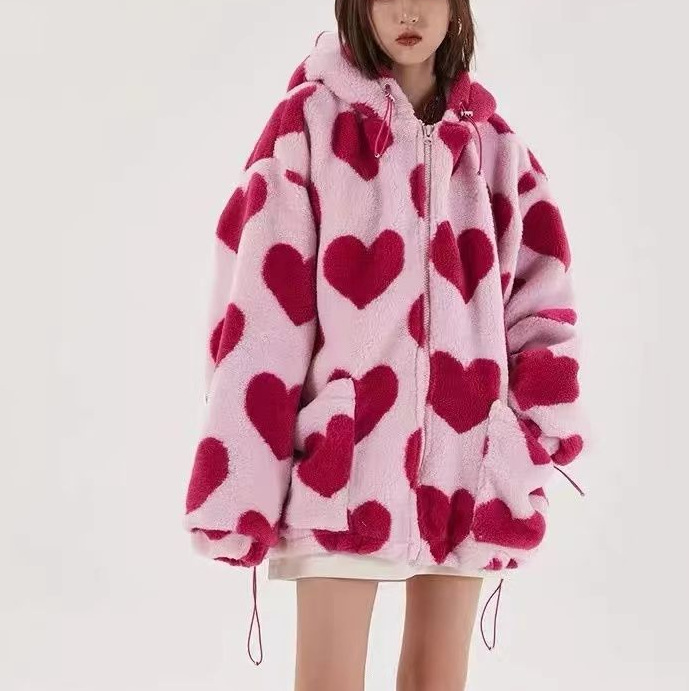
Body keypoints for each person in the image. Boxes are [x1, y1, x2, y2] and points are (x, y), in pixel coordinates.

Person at [182, 1, 587, 688]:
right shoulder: (309, 125)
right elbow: (260, 316)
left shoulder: (497, 150)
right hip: (343, 471)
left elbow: (543, 307)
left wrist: (528, 438)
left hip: (465, 470)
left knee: (438, 678)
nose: (407, 10)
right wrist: (241, 488)